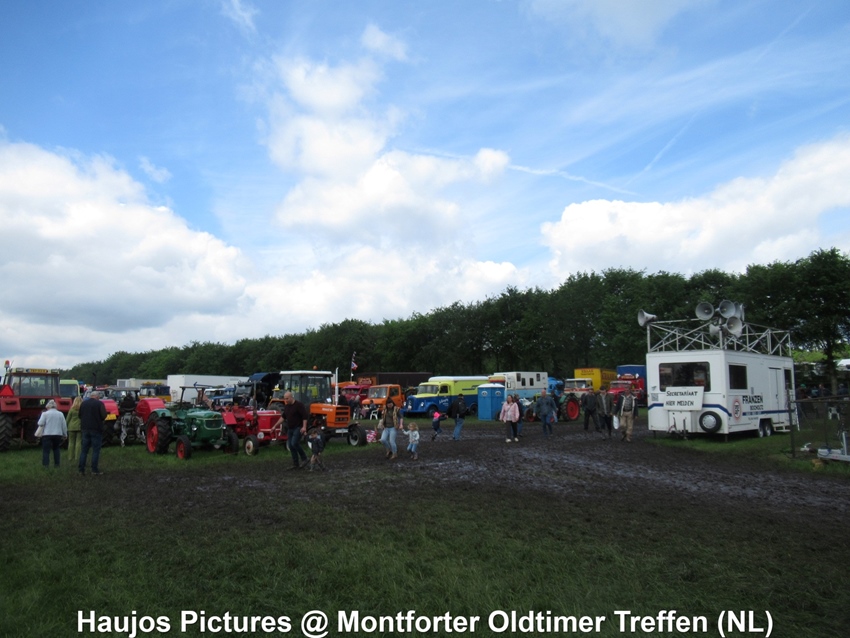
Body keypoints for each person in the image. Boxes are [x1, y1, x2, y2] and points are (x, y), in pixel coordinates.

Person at [273, 391, 310, 470]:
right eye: (285, 398)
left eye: (287, 398)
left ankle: (305, 458)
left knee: (294, 443)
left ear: (291, 397)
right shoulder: (287, 407)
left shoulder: (299, 405)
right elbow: (283, 417)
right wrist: (275, 426)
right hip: (290, 428)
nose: (285, 400)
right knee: (290, 445)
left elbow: (305, 416)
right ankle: (295, 464)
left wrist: (304, 427)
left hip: (298, 427)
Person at [78, 391, 107, 475]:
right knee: (95, 450)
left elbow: (79, 415)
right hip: (96, 429)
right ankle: (94, 470)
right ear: (97, 397)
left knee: (84, 450)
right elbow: (104, 415)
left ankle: (81, 469)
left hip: (85, 428)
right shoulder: (99, 404)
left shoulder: (83, 404)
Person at [37, 400, 67, 468]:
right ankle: (57, 464)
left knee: (46, 451)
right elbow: (64, 425)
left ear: (48, 407)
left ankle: (46, 465)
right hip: (58, 434)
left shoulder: (45, 414)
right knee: (56, 449)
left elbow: (40, 423)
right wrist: (65, 434)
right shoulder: (60, 414)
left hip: (47, 434)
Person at [65, 396, 83, 464]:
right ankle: (77, 457)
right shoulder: (82, 410)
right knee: (78, 442)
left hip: (71, 427)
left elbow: (68, 419)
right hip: (79, 427)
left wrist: (65, 427)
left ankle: (70, 457)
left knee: (71, 442)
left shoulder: (71, 409)